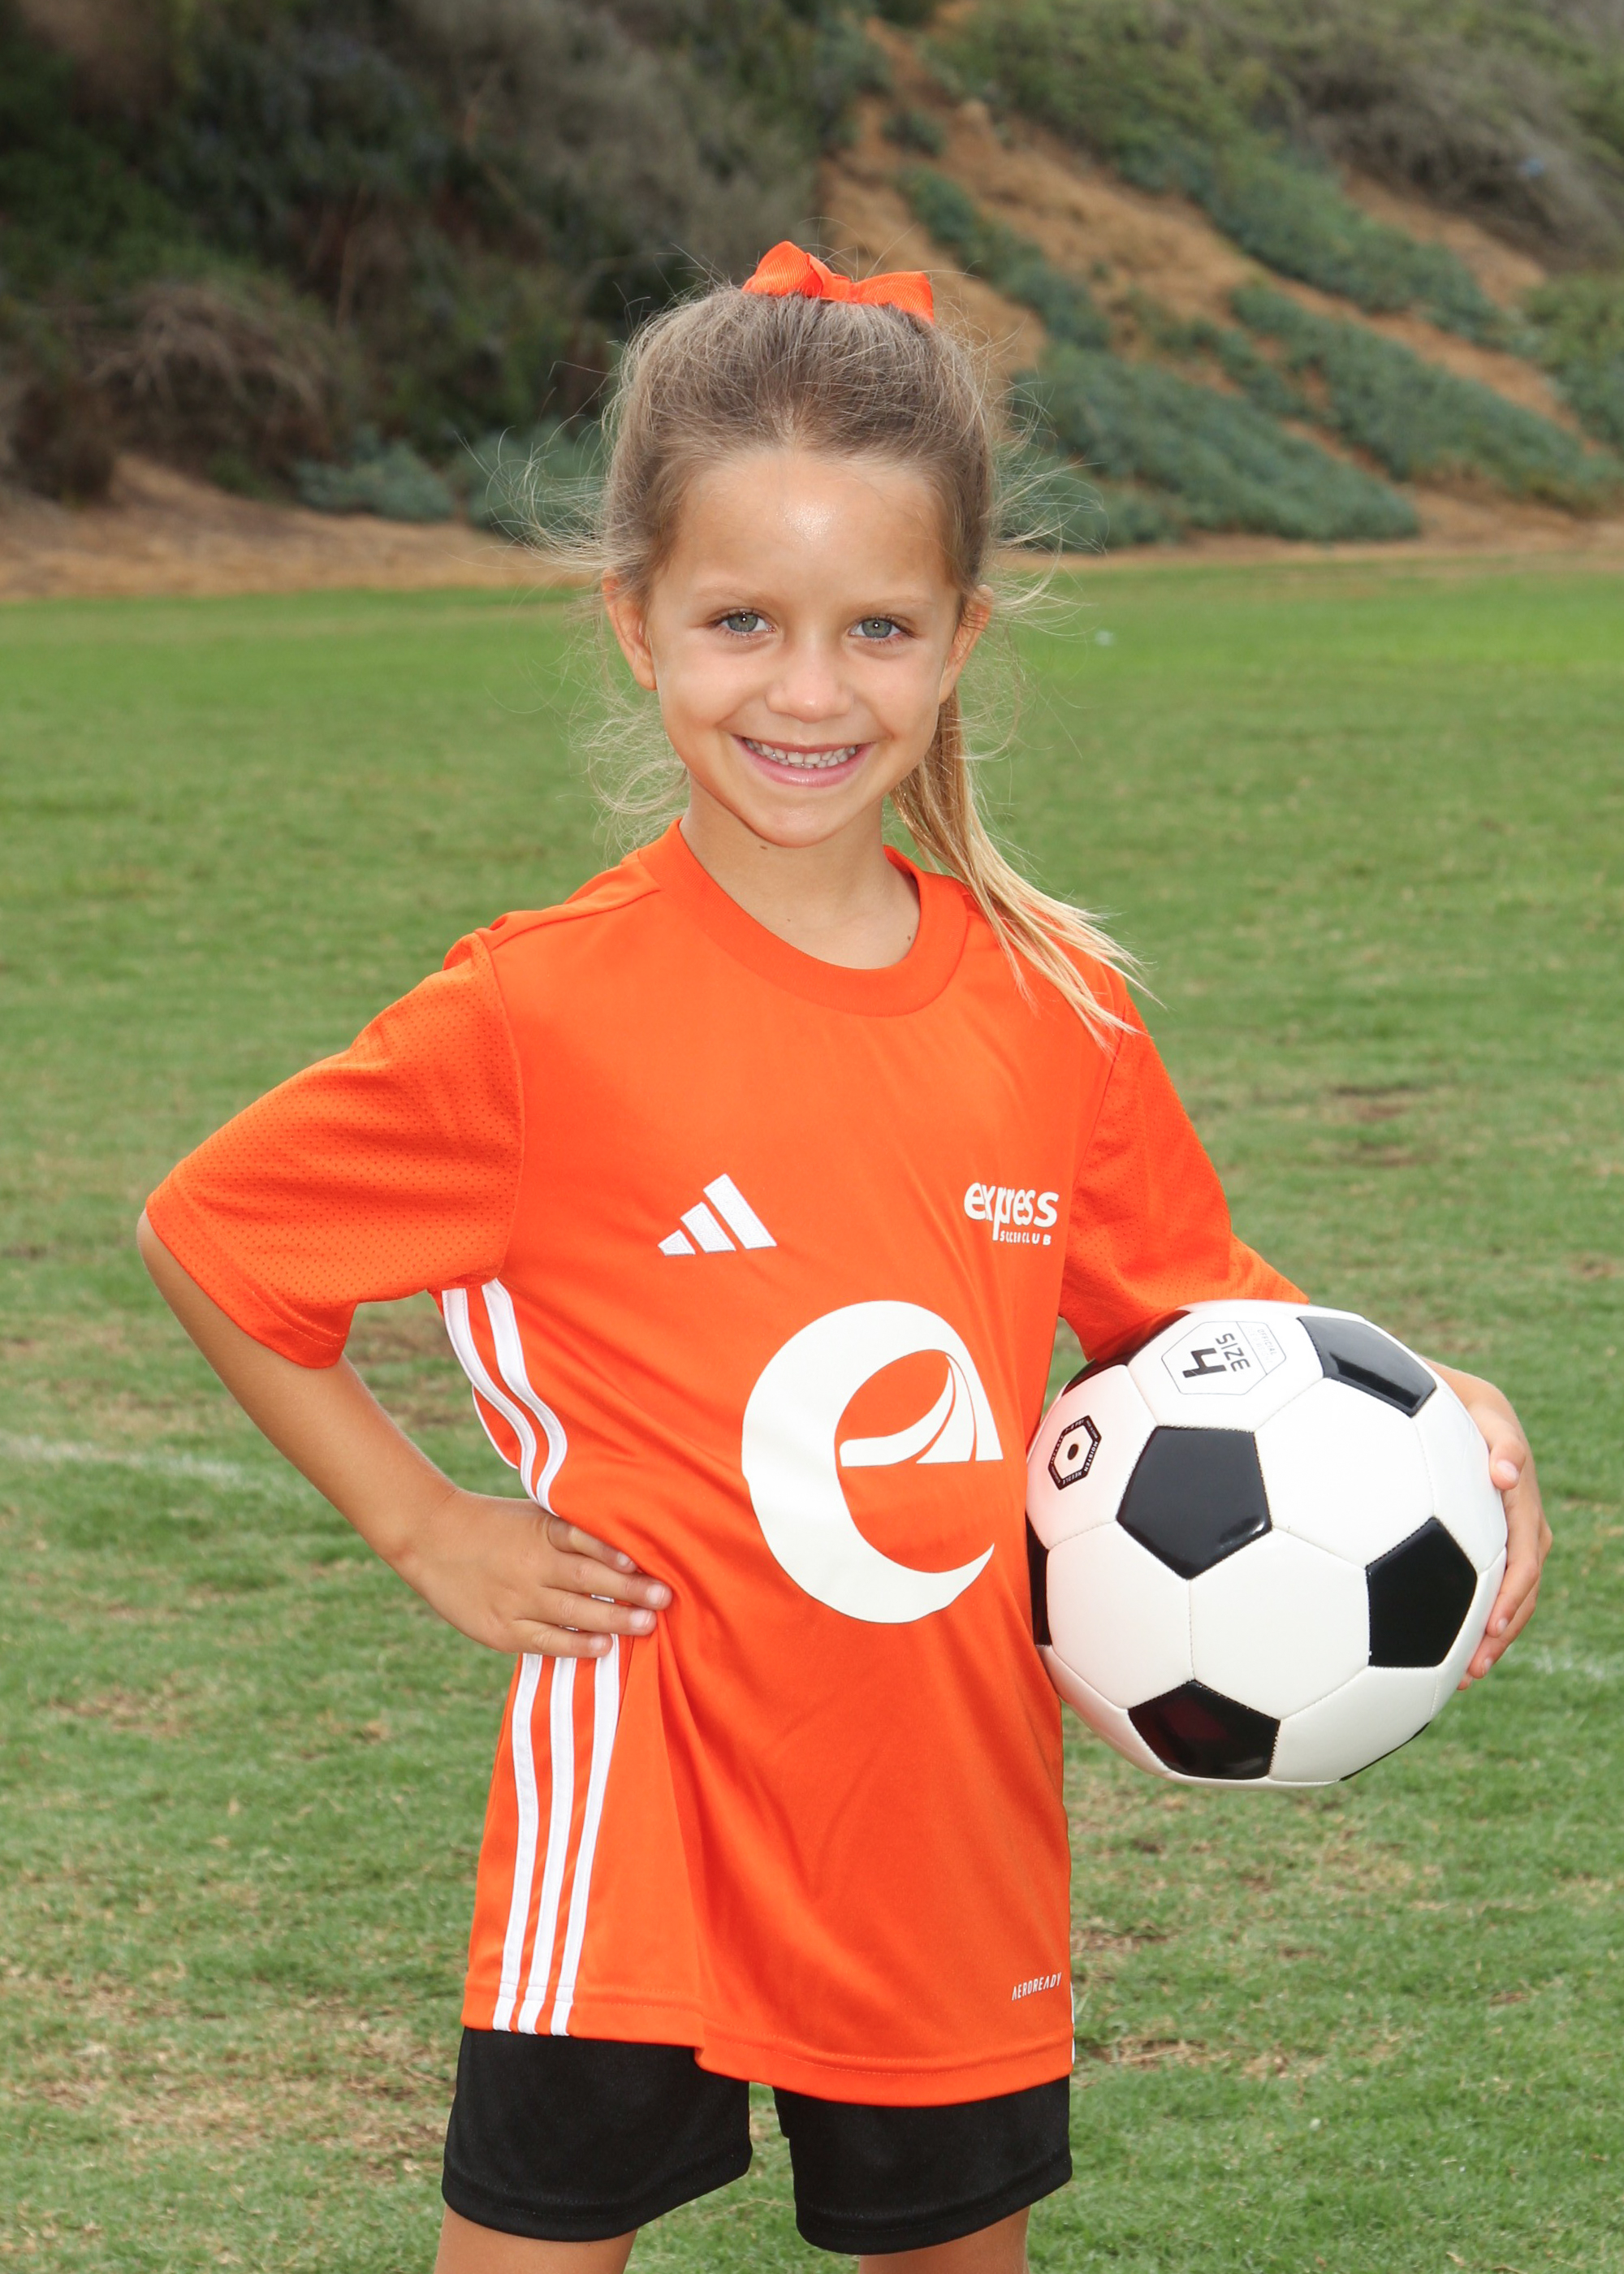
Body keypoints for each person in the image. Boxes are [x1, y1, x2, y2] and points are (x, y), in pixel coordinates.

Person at [137, 244, 1550, 2274]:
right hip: (639, 1822)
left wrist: (1436, 1399)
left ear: (960, 635)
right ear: (634, 618)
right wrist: (420, 1521)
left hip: (944, 1825)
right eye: (742, 621)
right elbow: (217, 1234)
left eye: (876, 627)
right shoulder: (537, 1012)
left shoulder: (1051, 1009)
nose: (808, 692)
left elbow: (1202, 1318)